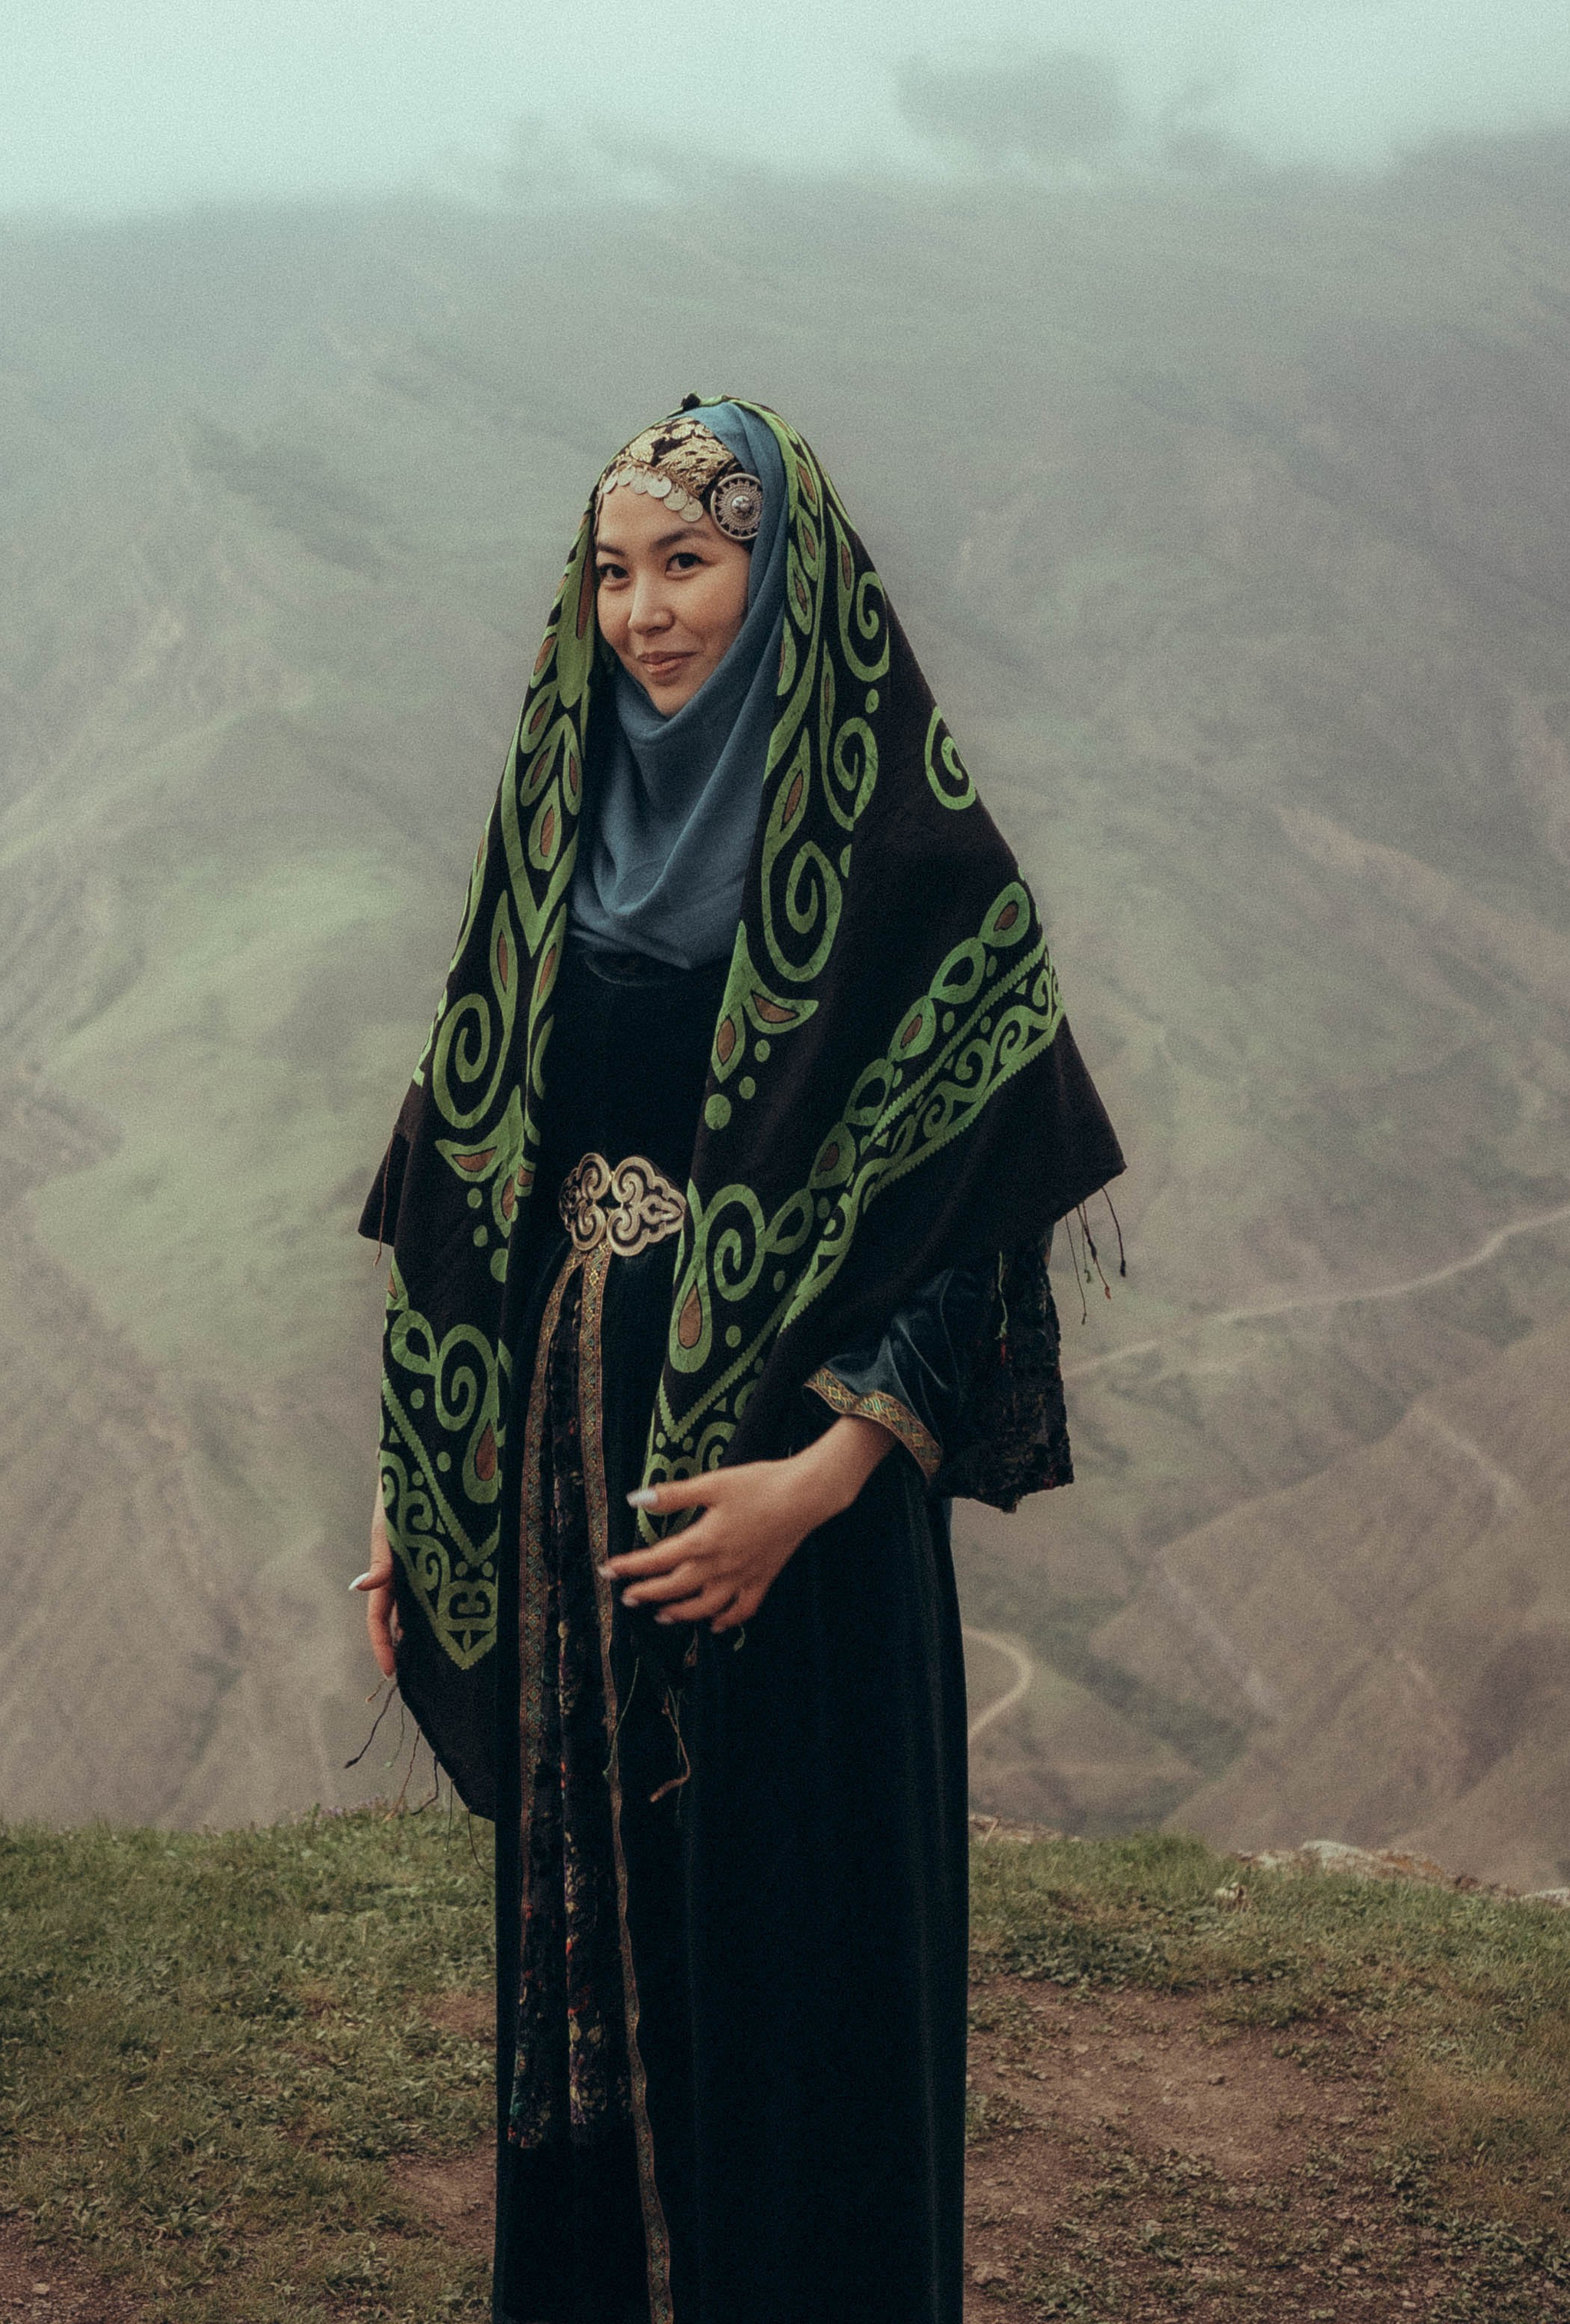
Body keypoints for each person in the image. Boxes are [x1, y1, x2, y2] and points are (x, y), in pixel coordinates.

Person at [352, 401, 1123, 2324]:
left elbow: (977, 1220)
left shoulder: (901, 858)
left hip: (798, 1537)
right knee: (592, 1961)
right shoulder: (553, 835)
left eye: (688, 563)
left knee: (793, 1973)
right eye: (611, 573)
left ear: (785, 577)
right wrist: (411, 1486)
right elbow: (469, 1186)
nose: (643, 615)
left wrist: (819, 1477)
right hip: (559, 1511)